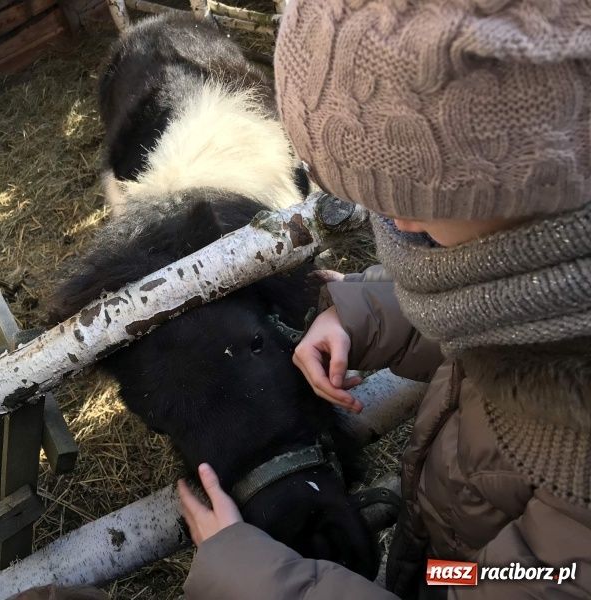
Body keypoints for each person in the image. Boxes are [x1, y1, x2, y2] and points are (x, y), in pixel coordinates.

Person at [177, 0, 591, 598]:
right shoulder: (552, 283)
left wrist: (256, 580)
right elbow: (502, 327)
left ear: (534, 179)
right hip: (461, 557)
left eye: (414, 200)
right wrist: (368, 315)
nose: (391, 219)